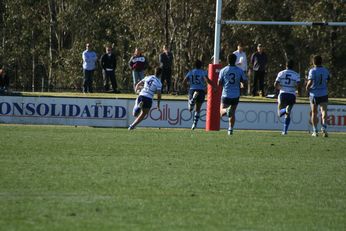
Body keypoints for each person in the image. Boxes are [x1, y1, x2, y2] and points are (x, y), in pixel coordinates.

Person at [218, 54, 248, 135]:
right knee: (232, 112)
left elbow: (219, 83)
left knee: (221, 112)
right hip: (236, 95)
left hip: (226, 94)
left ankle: (227, 110)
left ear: (228, 60)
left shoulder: (223, 70)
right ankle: (230, 129)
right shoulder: (239, 70)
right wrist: (241, 85)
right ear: (235, 60)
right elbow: (244, 81)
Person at [182, 59, 216, 130]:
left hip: (192, 89)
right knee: (198, 109)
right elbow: (207, 80)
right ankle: (194, 124)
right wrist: (214, 86)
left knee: (190, 109)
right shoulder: (203, 72)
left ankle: (192, 100)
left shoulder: (191, 72)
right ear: (201, 65)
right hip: (201, 91)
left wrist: (186, 87)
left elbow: (185, 80)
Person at [274, 59, 300, 135]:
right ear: (293, 66)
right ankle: (285, 131)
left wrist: (280, 88)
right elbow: (298, 84)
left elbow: (275, 84)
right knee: (288, 113)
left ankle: (285, 109)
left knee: (280, 113)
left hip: (283, 94)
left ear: (286, 65)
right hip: (292, 94)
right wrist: (297, 90)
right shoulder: (296, 74)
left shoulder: (281, 73)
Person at [306, 55, 330, 137]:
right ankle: (324, 128)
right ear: (321, 61)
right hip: (323, 93)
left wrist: (307, 88)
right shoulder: (325, 70)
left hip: (314, 94)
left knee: (314, 112)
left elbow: (310, 82)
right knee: (324, 111)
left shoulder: (312, 71)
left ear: (313, 62)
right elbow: (328, 80)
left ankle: (315, 131)